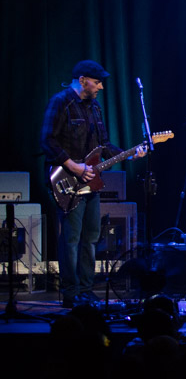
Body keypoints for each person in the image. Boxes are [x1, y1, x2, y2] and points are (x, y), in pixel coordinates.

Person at [41, 60, 146, 308]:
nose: (100, 86)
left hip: (91, 183)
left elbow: (105, 145)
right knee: (71, 238)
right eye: (97, 81)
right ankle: (70, 292)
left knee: (90, 237)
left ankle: (86, 290)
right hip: (67, 179)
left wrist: (131, 153)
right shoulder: (61, 102)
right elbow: (47, 140)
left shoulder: (95, 108)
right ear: (82, 80)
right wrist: (74, 166)